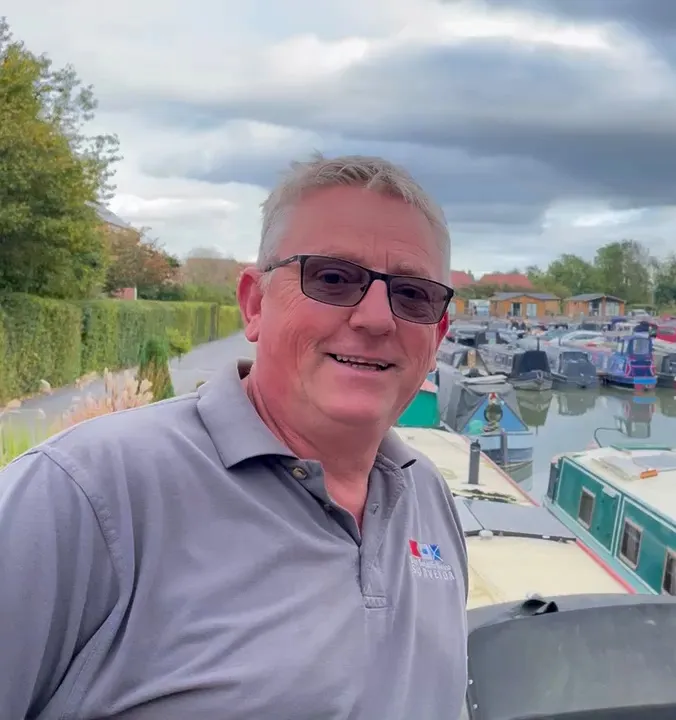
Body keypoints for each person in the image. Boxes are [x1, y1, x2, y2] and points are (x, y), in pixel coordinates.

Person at [0, 155, 468, 720]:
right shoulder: (85, 495)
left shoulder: (429, 500)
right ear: (254, 303)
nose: (375, 319)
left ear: (437, 334)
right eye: (333, 278)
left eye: (413, 295)